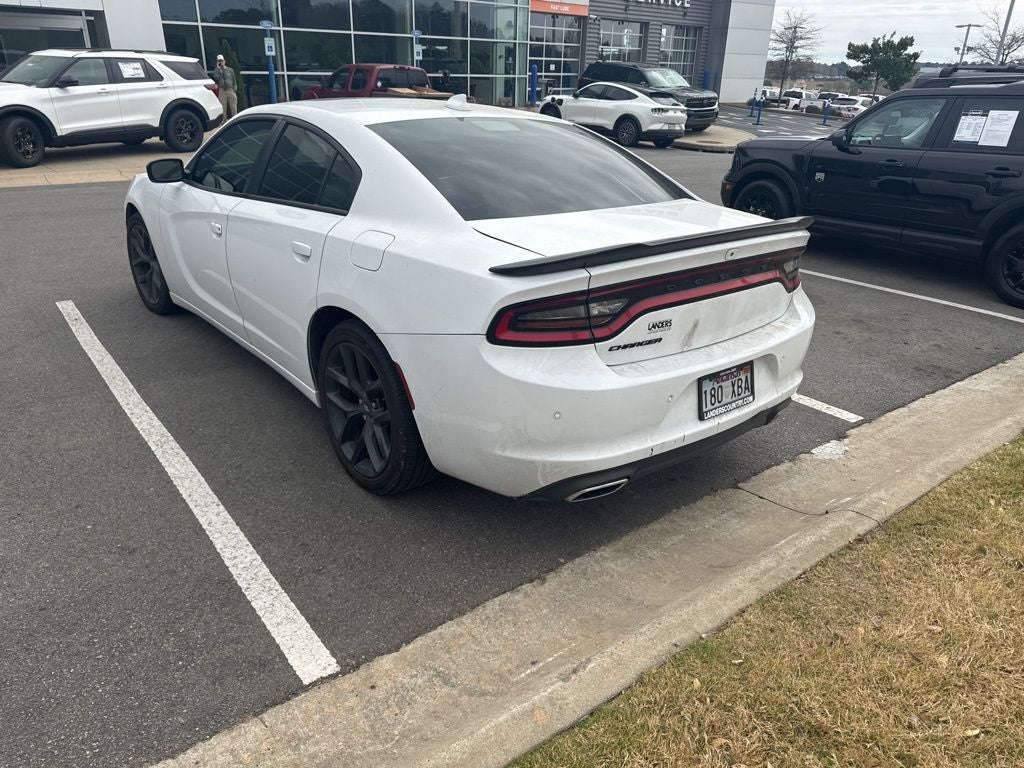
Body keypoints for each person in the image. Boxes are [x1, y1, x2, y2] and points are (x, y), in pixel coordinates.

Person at [211, 54, 238, 119]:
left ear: (224, 61)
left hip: (230, 89)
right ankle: (223, 120)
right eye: (219, 61)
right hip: (222, 90)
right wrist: (219, 69)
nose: (221, 62)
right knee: (223, 106)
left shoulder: (230, 70)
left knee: (233, 106)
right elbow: (216, 78)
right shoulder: (216, 70)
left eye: (222, 61)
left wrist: (234, 88)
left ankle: (234, 119)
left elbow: (234, 79)